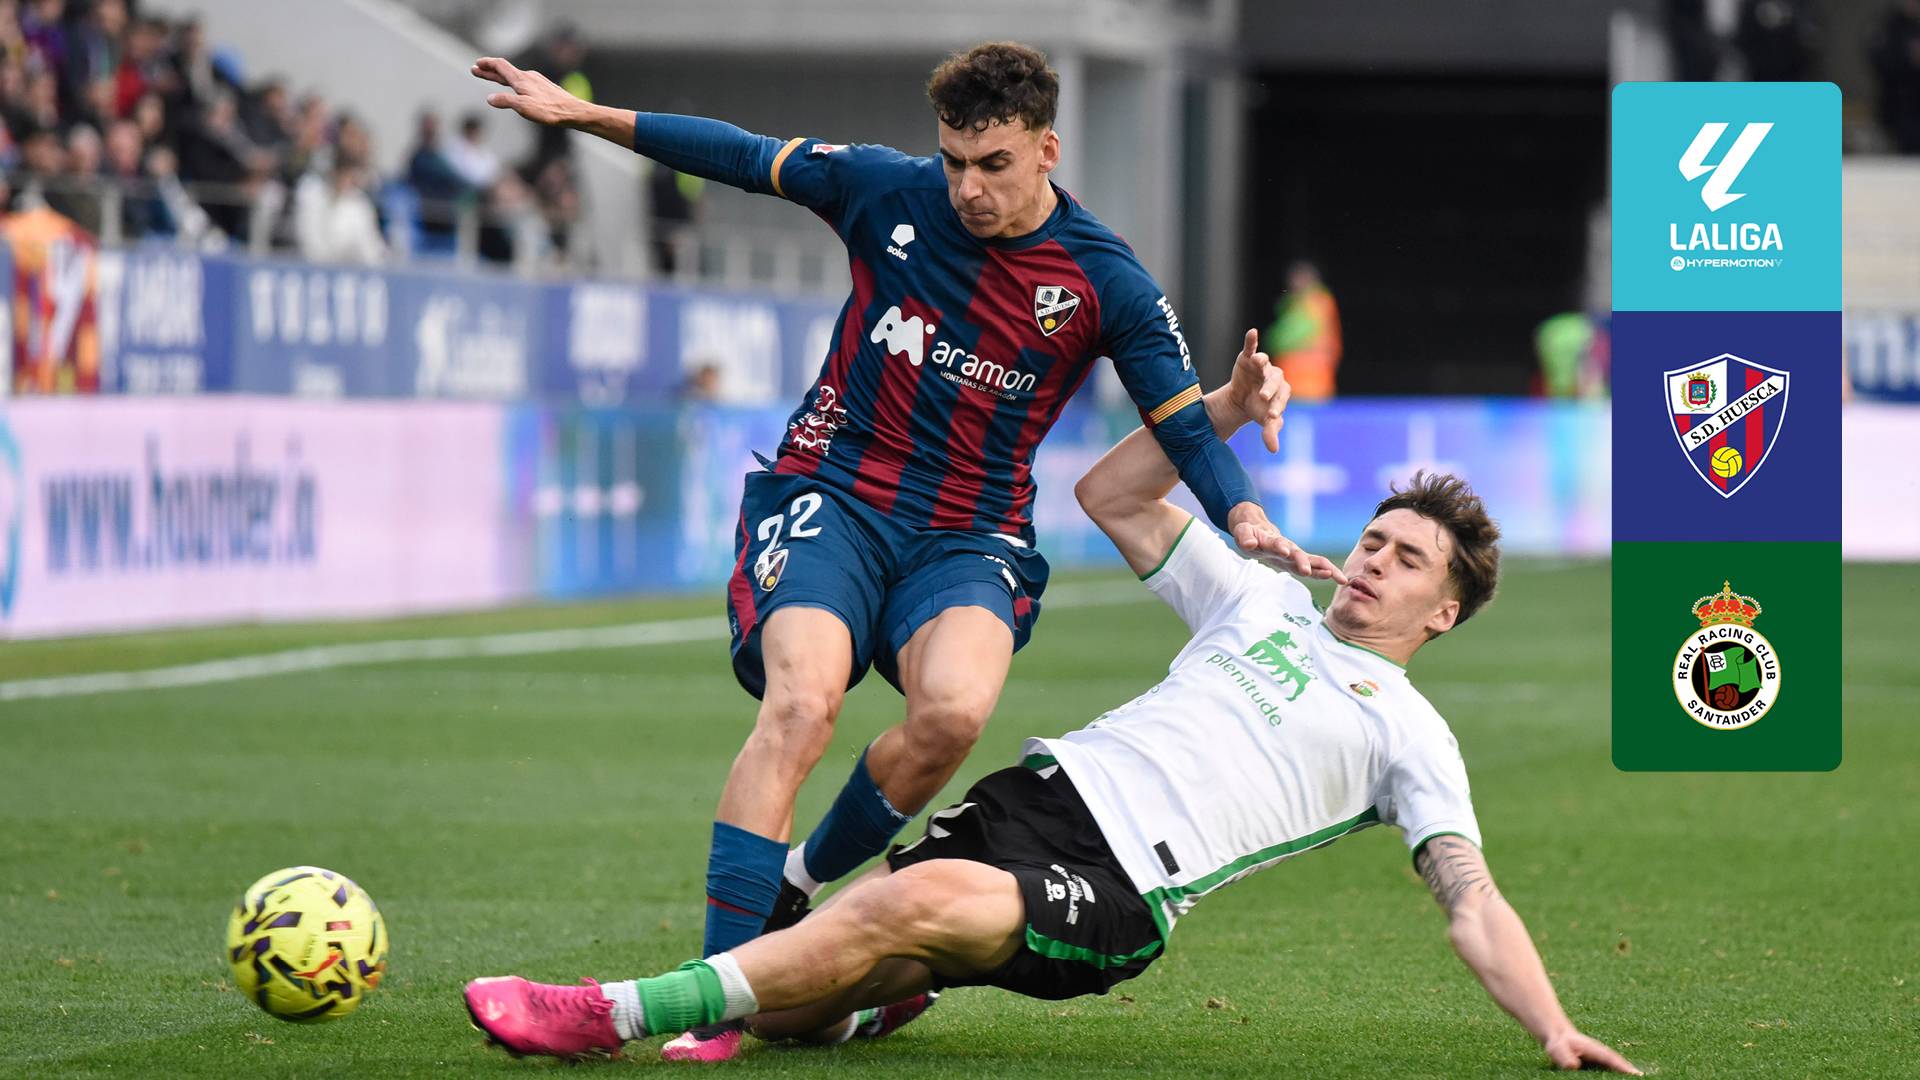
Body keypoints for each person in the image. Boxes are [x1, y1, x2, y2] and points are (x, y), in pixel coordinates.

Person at [462, 336, 1643, 1076]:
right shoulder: (1260, 601)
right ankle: (869, 1013)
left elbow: (1471, 901)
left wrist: (1550, 1028)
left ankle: (607, 1013)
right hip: (1025, 802)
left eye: (1408, 560)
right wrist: (1223, 411)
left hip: (1122, 890)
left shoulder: (1410, 733)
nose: (1376, 561)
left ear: (1444, 612)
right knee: (795, 1003)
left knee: (903, 904)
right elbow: (1112, 494)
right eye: (1376, 539)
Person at [471, 40, 1288, 1062]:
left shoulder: (1104, 278)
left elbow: (1180, 419)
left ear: (1047, 150)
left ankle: (797, 886)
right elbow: (741, 154)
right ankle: (715, 999)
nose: (968, 188)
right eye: (955, 161)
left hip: (971, 532)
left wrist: (1241, 512)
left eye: (993, 165)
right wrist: (586, 115)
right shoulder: (883, 190)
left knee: (952, 715)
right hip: (835, 494)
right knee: (803, 703)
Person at [1264, 260, 1341, 402]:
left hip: (1307, 384)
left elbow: (1283, 339)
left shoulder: (1314, 303)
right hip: (1298, 382)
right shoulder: (1298, 303)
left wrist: (1270, 337)